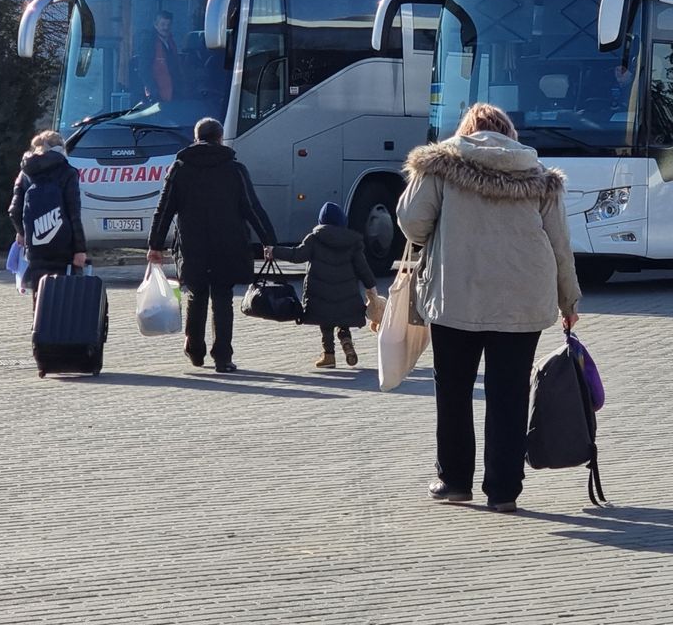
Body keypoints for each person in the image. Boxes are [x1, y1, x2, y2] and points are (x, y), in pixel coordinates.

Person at [396, 102, 581, 514]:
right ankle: (503, 492)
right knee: (509, 394)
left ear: (464, 131)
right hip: (523, 301)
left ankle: (454, 481)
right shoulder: (540, 178)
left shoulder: (440, 167)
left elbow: (411, 221)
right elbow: (559, 244)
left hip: (456, 297)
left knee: (454, 391)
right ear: (509, 135)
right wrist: (568, 300)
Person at [147, 117, 276, 373]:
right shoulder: (234, 169)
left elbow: (164, 209)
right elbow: (252, 208)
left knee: (196, 295)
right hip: (227, 245)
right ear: (219, 137)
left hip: (192, 245)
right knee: (222, 299)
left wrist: (155, 245)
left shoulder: (180, 168)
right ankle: (223, 358)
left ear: (196, 138)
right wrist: (269, 241)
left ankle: (195, 350)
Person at [266, 202, 380, 369]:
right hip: (346, 294)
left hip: (320, 293)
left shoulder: (314, 239)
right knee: (342, 319)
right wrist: (371, 286)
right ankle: (346, 339)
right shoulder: (352, 242)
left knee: (326, 323)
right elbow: (363, 268)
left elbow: (297, 255)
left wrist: (274, 251)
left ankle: (329, 356)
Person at [8, 130, 87, 309]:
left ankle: (40, 329)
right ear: (61, 149)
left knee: (40, 292)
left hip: (35, 245)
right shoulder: (67, 172)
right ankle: (61, 330)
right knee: (64, 293)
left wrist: (22, 232)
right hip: (63, 245)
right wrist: (80, 249)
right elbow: (74, 213)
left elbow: (13, 210)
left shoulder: (25, 173)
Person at [140, 10, 183, 102]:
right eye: (163, 24)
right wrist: (153, 91)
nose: (166, 28)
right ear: (155, 25)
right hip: (158, 95)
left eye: (168, 24)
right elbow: (144, 69)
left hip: (174, 93)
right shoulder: (149, 43)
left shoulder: (171, 42)